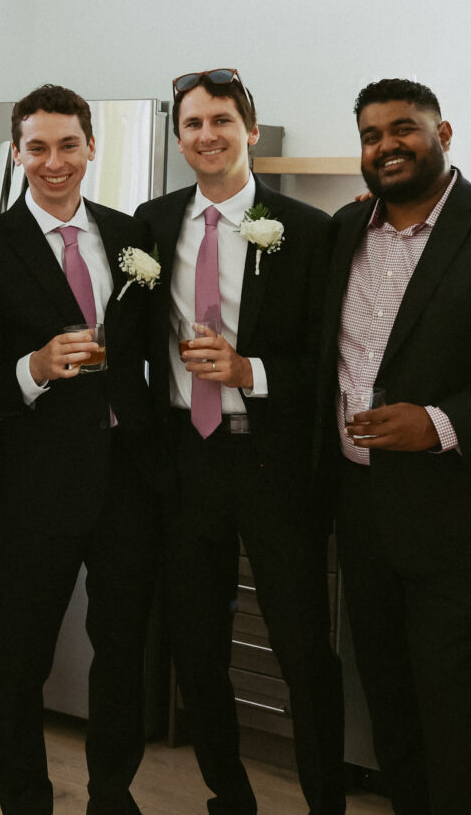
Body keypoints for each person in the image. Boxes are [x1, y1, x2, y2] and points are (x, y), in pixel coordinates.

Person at [327, 78, 471, 814]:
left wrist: (436, 422)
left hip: (464, 522)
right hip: (364, 514)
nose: (387, 144)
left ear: (444, 132)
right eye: (371, 134)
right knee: (387, 703)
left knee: (458, 716)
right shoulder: (345, 230)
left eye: (404, 128)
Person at [132, 68, 342, 814]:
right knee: (196, 645)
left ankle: (326, 801)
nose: (207, 135)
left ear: (250, 129)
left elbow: (326, 363)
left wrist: (250, 369)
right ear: (179, 136)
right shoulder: (150, 225)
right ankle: (231, 795)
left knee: (303, 647)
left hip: (274, 461)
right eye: (192, 124)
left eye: (221, 120)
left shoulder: (311, 231)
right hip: (187, 460)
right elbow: (130, 344)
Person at [0, 85, 161, 814]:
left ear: (90, 148)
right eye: (38, 147)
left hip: (130, 479)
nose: (55, 162)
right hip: (37, 483)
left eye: (69, 145)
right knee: (22, 656)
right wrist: (35, 367)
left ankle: (113, 792)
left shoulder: (127, 234)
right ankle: (26, 800)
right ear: (18, 154)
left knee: (122, 650)